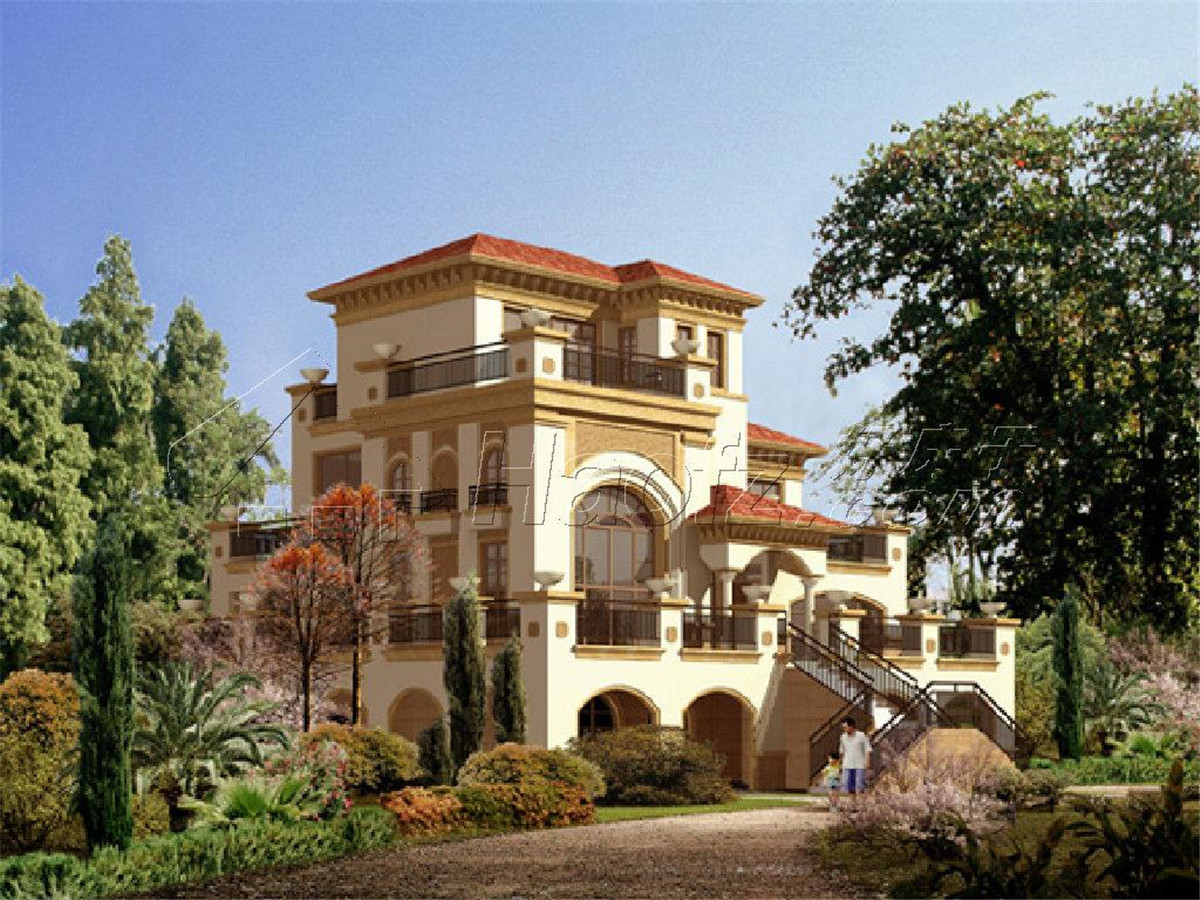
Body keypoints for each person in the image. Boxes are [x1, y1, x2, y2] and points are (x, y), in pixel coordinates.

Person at [838, 716, 871, 795]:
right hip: (847, 765)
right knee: (849, 787)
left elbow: (867, 749)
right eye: (843, 728)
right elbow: (842, 751)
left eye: (846, 727)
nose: (845, 729)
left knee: (859, 786)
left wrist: (867, 762)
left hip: (859, 765)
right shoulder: (843, 737)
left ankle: (859, 801)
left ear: (852, 726)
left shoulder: (861, 735)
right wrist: (840, 764)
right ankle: (852, 802)